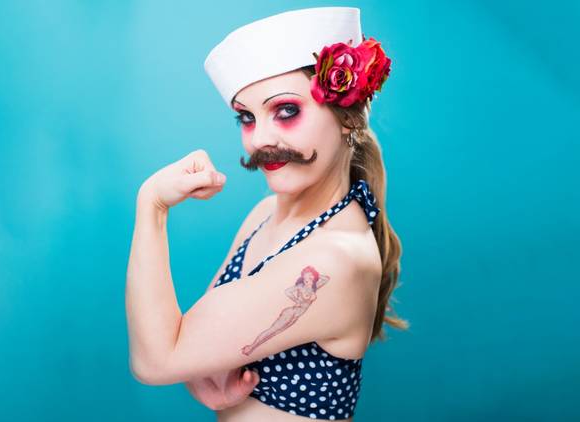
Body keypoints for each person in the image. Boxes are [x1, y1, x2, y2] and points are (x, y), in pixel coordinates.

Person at [126, 6, 408, 421]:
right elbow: (190, 349)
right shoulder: (266, 213)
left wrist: (151, 205)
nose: (259, 139)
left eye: (286, 111)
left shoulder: (336, 259)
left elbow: (157, 359)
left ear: (347, 118)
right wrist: (193, 362)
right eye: (246, 117)